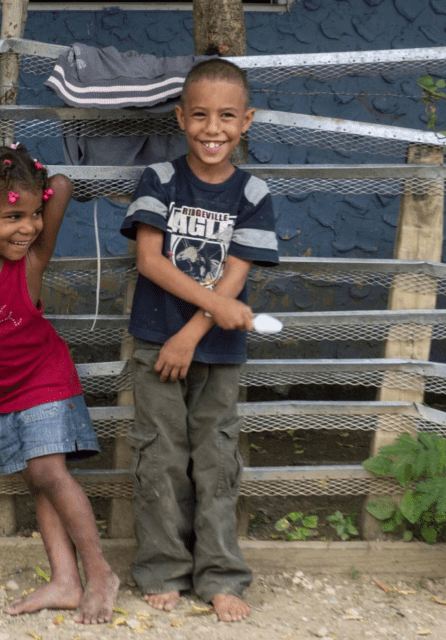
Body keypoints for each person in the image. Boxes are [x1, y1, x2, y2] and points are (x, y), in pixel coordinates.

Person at [0, 144, 119, 624]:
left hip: (44, 378)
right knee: (38, 482)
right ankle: (64, 580)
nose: (29, 227)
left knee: (50, 473)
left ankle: (99, 572)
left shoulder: (30, 263)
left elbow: (65, 188)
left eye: (34, 214)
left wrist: (24, 179)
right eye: (13, 215)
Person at [119, 58, 279, 622]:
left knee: (216, 460)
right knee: (159, 456)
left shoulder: (253, 192)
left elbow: (236, 271)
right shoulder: (161, 180)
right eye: (202, 115)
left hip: (215, 352)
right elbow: (149, 260)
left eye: (228, 116)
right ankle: (162, 567)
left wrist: (193, 332)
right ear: (181, 117)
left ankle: (221, 573)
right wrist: (211, 311)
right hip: (156, 344)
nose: (214, 128)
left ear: (247, 121)